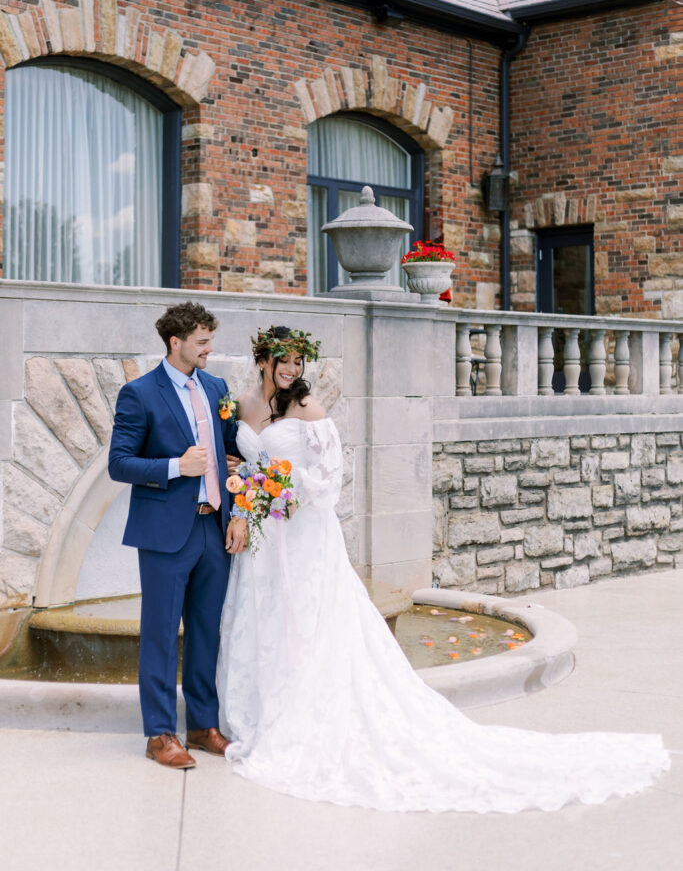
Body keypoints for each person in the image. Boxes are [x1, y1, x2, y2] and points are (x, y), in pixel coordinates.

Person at [217, 324, 670, 813]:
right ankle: (260, 714)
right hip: (262, 542)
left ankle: (301, 719)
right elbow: (242, 462)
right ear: (263, 357)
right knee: (263, 618)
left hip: (304, 536)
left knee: (307, 621)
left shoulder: (310, 409)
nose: (292, 370)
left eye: (298, 362)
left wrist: (278, 482)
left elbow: (329, 481)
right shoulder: (242, 405)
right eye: (283, 360)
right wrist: (245, 488)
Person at [109, 301, 247, 769]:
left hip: (213, 526)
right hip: (166, 534)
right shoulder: (139, 393)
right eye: (203, 342)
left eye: (210, 340)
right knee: (162, 634)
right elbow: (119, 463)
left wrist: (237, 503)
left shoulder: (216, 388)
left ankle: (203, 726)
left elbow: (232, 452)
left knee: (208, 631)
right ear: (177, 342)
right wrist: (175, 467)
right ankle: (159, 734)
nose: (210, 349)